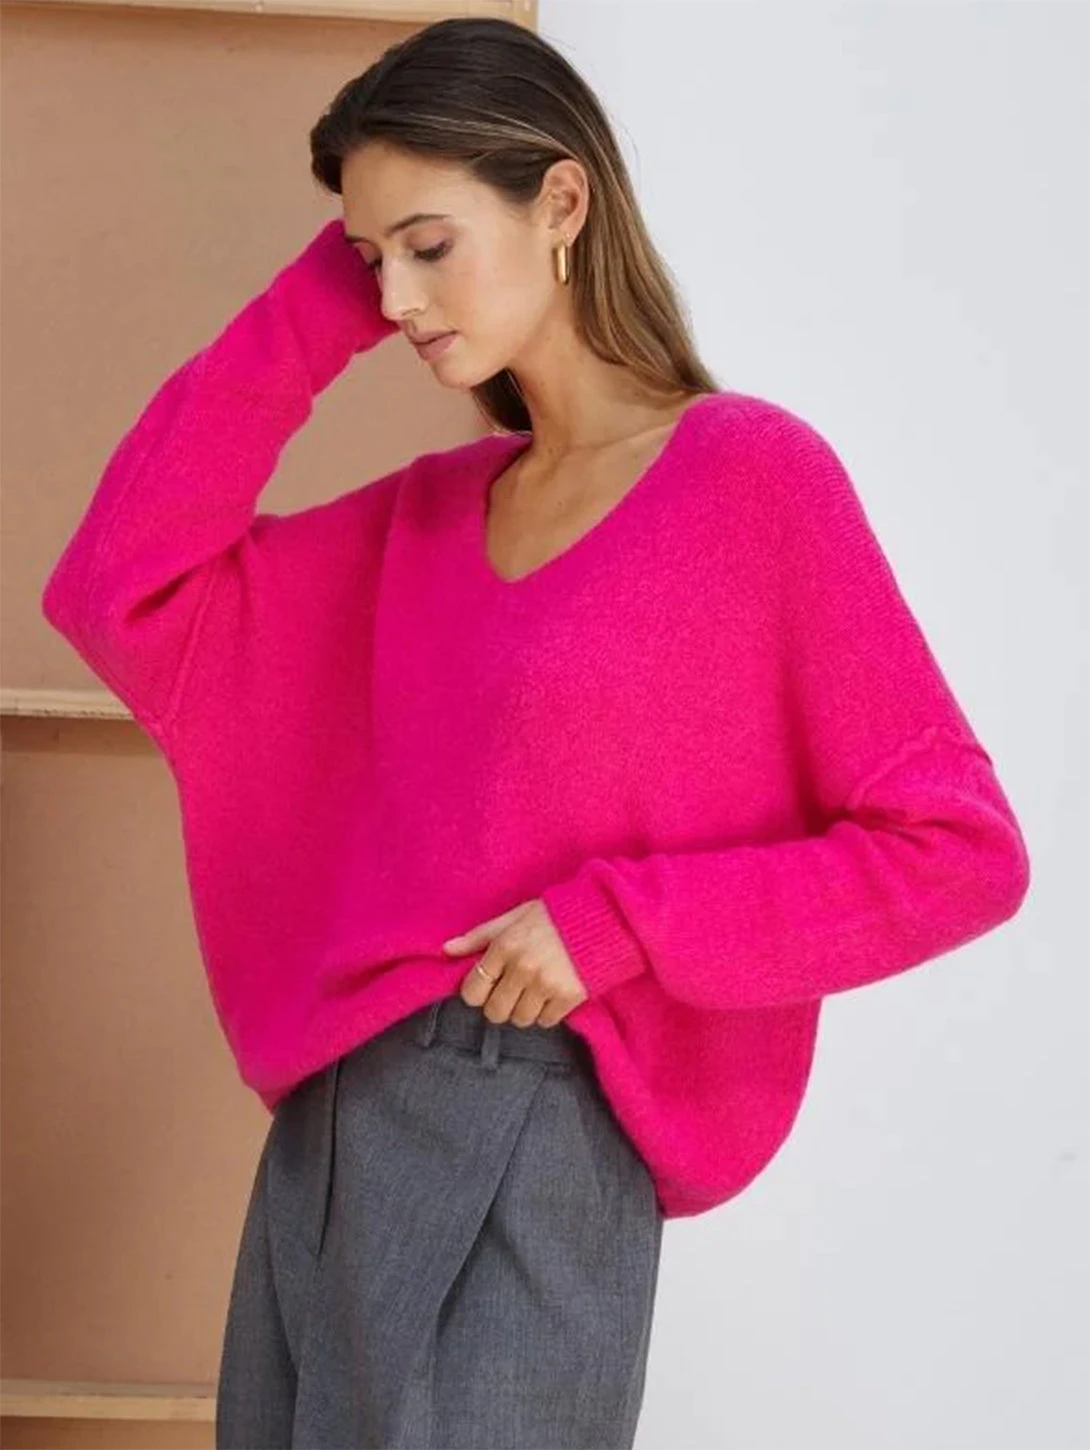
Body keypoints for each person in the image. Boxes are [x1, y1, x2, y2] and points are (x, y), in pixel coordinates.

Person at [39, 15, 1032, 1450]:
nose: (397, 298)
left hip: (536, 1124)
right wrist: (322, 298)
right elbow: (117, 589)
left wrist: (622, 925)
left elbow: (959, 852)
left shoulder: (749, 479)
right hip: (332, 1130)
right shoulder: (423, 519)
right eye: (371, 260)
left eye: (429, 247)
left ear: (562, 201)